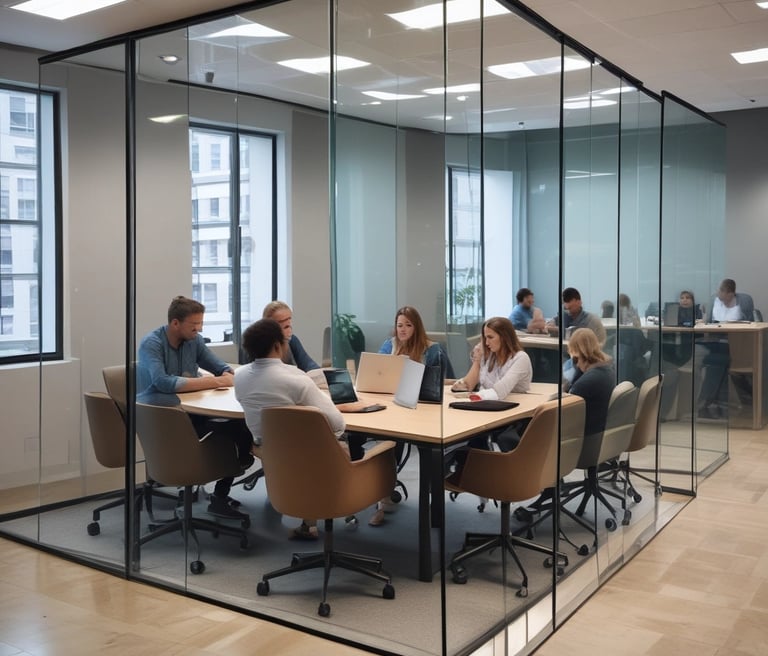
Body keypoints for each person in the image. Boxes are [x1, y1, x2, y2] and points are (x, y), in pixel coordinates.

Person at [234, 318, 373, 539]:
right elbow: (337, 424)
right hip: (315, 459)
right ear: (278, 346)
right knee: (342, 442)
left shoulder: (239, 377)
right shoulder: (296, 379)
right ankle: (321, 512)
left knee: (305, 444)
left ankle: (309, 525)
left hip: (272, 454)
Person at [137, 296, 255, 521]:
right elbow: (163, 382)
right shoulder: (152, 344)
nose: (199, 329)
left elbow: (219, 367)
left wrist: (225, 374)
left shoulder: (194, 341)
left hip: (191, 413)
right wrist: (215, 382)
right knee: (232, 434)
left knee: (241, 426)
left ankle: (222, 492)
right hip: (164, 419)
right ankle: (229, 473)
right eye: (194, 325)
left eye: (201, 324)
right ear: (175, 324)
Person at [366, 306, 455, 526]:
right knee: (381, 441)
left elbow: (444, 386)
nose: (403, 330)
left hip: (424, 412)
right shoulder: (389, 345)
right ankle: (380, 493)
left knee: (421, 448)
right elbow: (377, 375)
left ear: (417, 326)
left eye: (408, 325)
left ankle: (429, 505)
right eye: (399, 325)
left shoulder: (432, 350)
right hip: (392, 407)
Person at [450, 317, 533, 454]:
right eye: (484, 338)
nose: (486, 342)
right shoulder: (490, 357)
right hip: (489, 412)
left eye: (490, 337)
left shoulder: (520, 358)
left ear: (504, 337)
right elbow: (469, 385)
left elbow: (500, 392)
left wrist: (474, 396)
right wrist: (477, 360)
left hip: (513, 417)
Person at [699, 279, 755, 418]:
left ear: (731, 293)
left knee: (718, 363)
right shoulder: (714, 301)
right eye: (719, 290)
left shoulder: (743, 302)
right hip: (715, 341)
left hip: (736, 343)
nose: (719, 293)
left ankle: (709, 402)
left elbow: (749, 323)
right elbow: (708, 321)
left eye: (722, 291)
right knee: (719, 361)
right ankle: (714, 403)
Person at [565, 328, 616, 438]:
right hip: (599, 435)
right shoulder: (607, 371)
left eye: (575, 360)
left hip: (584, 440)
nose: (576, 365)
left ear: (580, 355)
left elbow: (565, 414)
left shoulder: (584, 384)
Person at [262, 300, 320, 372]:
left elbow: (309, 366)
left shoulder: (292, 340)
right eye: (285, 326)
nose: (289, 330)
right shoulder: (259, 347)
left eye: (289, 324)